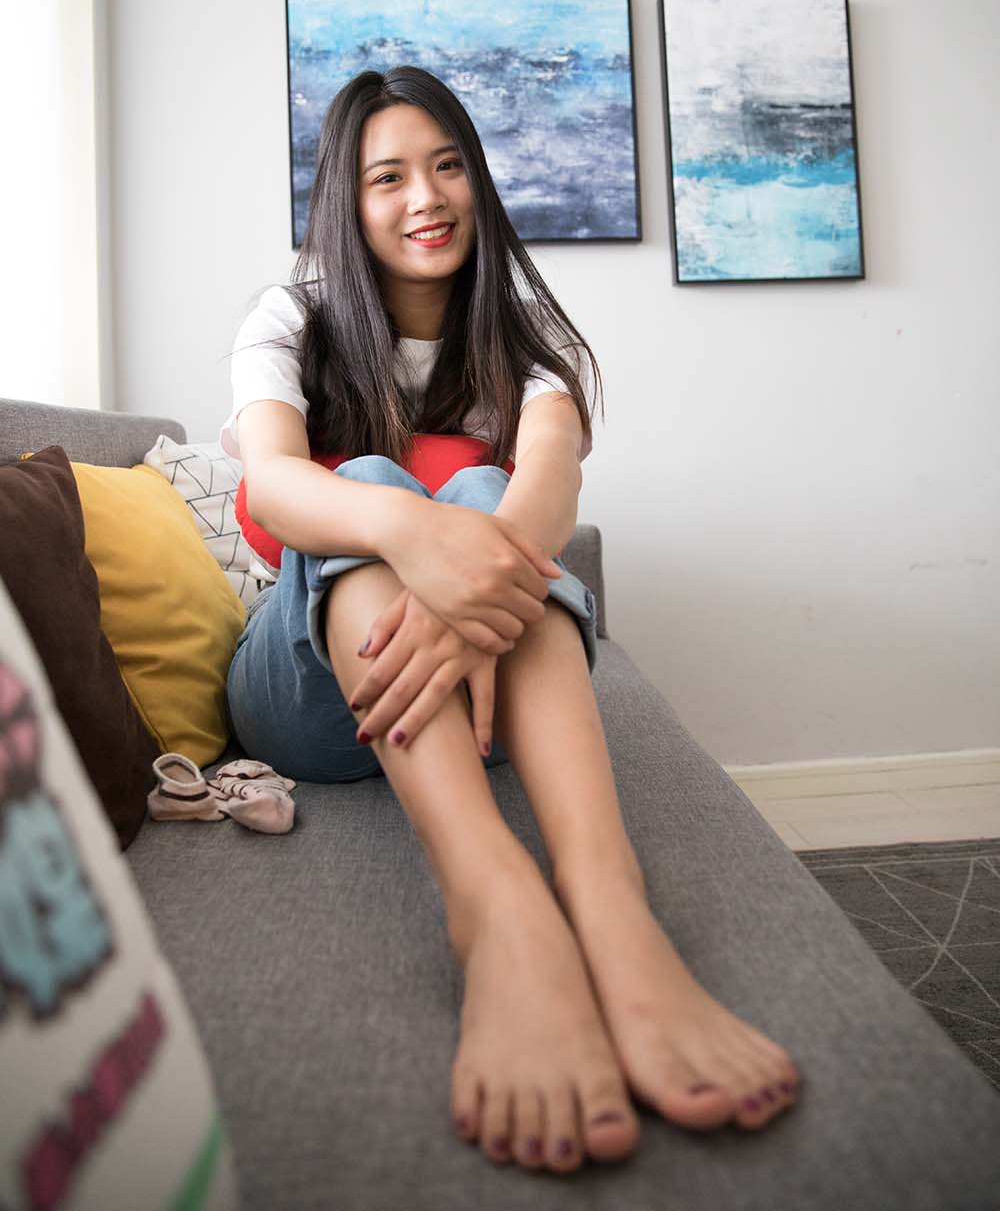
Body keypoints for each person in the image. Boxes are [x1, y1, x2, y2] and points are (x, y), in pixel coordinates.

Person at [221, 66, 801, 1176]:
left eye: (447, 167)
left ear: (478, 182)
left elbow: (548, 491)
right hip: (304, 696)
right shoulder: (291, 314)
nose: (424, 197)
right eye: (387, 177)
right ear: (344, 199)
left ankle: (608, 906)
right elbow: (278, 486)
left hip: (469, 688)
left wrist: (459, 587)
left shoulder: (526, 332)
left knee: (492, 499)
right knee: (376, 482)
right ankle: (495, 909)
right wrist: (410, 533)